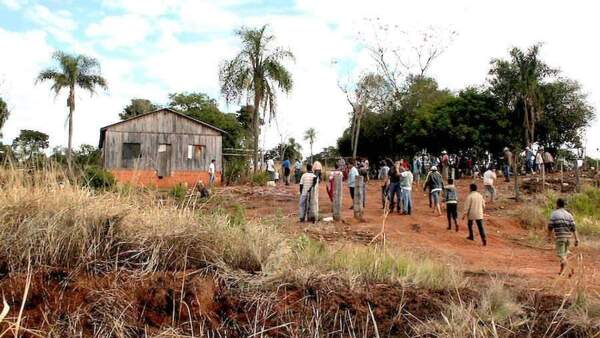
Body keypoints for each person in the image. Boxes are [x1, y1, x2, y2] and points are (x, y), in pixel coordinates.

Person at [547, 198, 579, 275]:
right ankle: (561, 271)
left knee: (561, 255)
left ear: (557, 204)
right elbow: (573, 228)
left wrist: (549, 237)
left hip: (560, 237)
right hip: (568, 238)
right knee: (564, 254)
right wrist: (576, 239)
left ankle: (571, 268)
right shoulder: (569, 215)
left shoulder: (554, 214)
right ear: (564, 205)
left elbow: (550, 227)